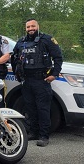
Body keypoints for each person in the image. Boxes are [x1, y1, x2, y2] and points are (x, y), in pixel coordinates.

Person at [11, 18, 63, 147]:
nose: (30, 29)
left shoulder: (47, 39)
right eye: (28, 27)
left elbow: (58, 57)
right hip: (27, 81)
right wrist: (18, 75)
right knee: (30, 108)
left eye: (33, 26)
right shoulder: (21, 42)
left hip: (42, 80)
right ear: (26, 28)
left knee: (43, 109)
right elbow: (14, 58)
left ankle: (44, 136)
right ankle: (33, 132)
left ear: (37, 26)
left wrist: (54, 74)